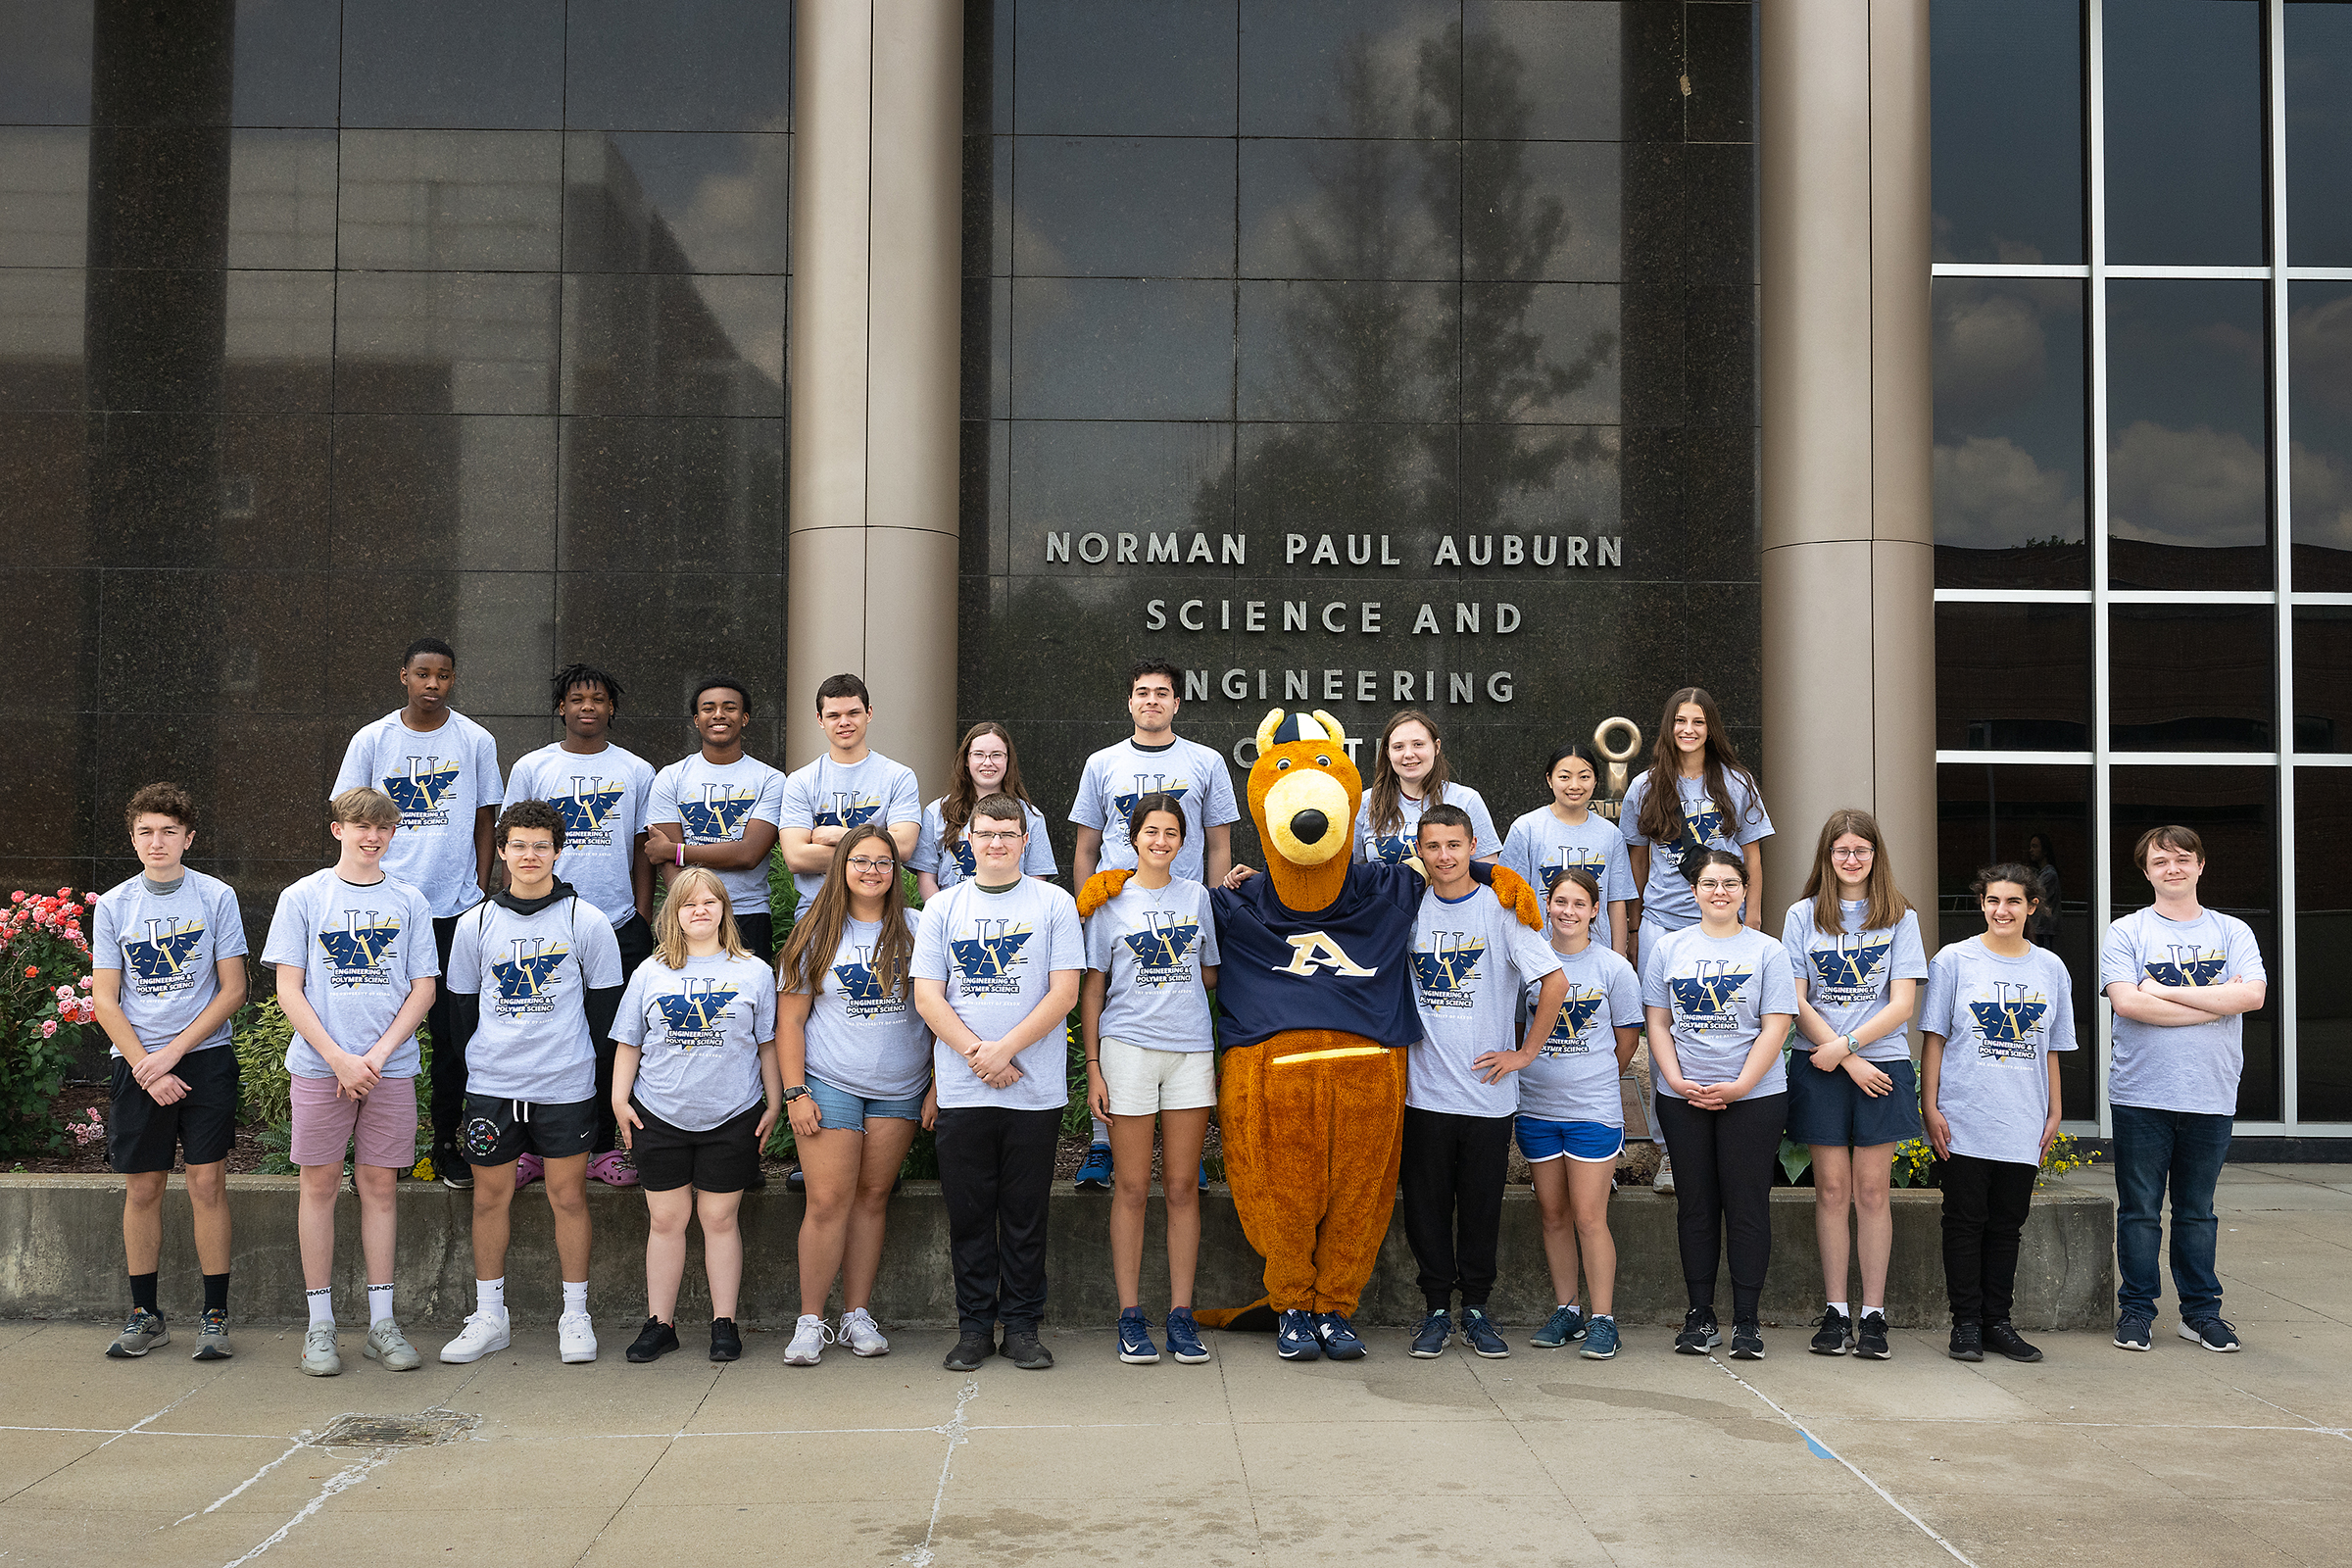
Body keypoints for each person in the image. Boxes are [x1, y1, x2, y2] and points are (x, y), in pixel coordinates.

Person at [438, 801, 624, 1366]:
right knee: (491, 1198)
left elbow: (605, 1012)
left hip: (565, 1085)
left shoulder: (584, 920)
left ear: (559, 850)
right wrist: (488, 1061)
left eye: (541, 845)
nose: (529, 855)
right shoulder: (475, 923)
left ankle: (575, 1315)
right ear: (500, 852)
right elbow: (461, 1012)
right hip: (493, 1085)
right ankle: (491, 1315)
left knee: (568, 1196)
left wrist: (581, 1069)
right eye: (518, 844)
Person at [264, 787, 438, 1376]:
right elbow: (289, 987)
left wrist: (377, 1056)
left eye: (383, 828)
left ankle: (381, 1324)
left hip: (389, 1069)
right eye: (360, 827)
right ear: (337, 830)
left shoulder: (410, 900)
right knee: (319, 1188)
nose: (372, 836)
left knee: (380, 1188)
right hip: (319, 1068)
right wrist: (339, 1058)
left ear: (393, 834)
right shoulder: (303, 897)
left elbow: (423, 988)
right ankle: (319, 1328)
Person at [912, 793, 1085, 1373]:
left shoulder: (1054, 903)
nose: (996, 843)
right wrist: (976, 1055)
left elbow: (1064, 992)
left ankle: (1023, 1327)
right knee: (968, 1213)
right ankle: (974, 1327)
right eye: (986, 833)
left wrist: (1004, 1051)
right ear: (967, 840)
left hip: (1034, 1091)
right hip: (963, 1090)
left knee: (1024, 1213)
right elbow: (927, 996)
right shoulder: (942, 909)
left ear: (1024, 840)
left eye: (1008, 834)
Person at [332, 637, 502, 1191]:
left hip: (455, 910)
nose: (433, 684)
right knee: (382, 1031)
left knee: (455, 1038)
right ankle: (383, 1153)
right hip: (386, 908)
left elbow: (484, 819)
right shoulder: (372, 739)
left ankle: (445, 1144)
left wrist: (479, 883)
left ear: (453, 679)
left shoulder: (475, 740)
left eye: (444, 676)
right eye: (423, 674)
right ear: (403, 675)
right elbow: (349, 814)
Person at [1401, 805, 1567, 1361]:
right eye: (1433, 846)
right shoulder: (1409, 910)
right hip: (1422, 1093)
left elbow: (1555, 981)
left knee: (1479, 1208)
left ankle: (1475, 1308)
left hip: (1488, 1097)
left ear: (1474, 845)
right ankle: (1434, 1312)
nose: (1444, 856)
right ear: (1419, 851)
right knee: (1424, 1208)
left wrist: (1525, 1053)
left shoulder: (1501, 911)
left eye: (1454, 844)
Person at [92, 783, 250, 1361]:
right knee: (145, 1186)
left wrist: (174, 1053)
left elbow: (233, 989)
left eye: (168, 832)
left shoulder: (216, 897)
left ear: (189, 838)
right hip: (136, 1063)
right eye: (145, 832)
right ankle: (144, 1313)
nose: (157, 843)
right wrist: (145, 1065)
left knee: (207, 1183)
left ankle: (215, 1313)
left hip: (203, 1058)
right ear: (132, 839)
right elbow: (106, 1001)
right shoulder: (113, 905)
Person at [1068, 659, 1240, 1190]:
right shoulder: (1102, 763)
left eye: (1162, 693)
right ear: (1129, 701)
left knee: (1181, 1007)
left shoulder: (1206, 761)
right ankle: (1103, 1145)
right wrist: (1085, 906)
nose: (1152, 701)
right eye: (1142, 692)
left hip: (1182, 911)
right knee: (1114, 1015)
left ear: (1177, 702)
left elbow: (1217, 844)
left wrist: (1212, 909)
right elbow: (1086, 847)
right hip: (1118, 913)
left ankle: (1187, 1156)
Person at [2101, 825, 2265, 1354]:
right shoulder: (2126, 932)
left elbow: (2254, 997)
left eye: (2182, 858)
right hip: (2141, 1094)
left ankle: (2200, 1314)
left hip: (2210, 1094)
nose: (2172, 868)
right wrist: (2216, 999)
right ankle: (2137, 1312)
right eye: (2160, 861)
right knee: (2140, 1211)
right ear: (2146, 871)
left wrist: (2162, 989)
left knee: (2197, 1211)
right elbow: (2127, 1005)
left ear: (2200, 865)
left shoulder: (2233, 931)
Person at [774, 825, 933, 1365]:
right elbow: (790, 1022)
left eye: (884, 862)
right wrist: (796, 1092)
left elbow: (939, 1013)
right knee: (826, 1202)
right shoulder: (816, 929)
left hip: (900, 1088)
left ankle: (857, 1315)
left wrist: (935, 1084)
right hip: (829, 1082)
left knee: (871, 1199)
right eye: (861, 861)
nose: (872, 871)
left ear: (897, 872)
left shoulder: (919, 928)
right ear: (841, 867)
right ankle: (810, 1321)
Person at [611, 867, 780, 1364]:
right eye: (688, 904)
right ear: (673, 914)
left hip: (732, 1113)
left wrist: (774, 1103)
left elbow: (767, 1044)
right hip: (659, 1112)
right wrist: (620, 1101)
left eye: (710, 902)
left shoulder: (754, 971)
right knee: (666, 1219)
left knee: (718, 1217)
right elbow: (628, 1043)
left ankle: (723, 1323)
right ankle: (659, 1324)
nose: (700, 910)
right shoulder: (651, 971)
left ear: (725, 909)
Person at [1781, 809, 1927, 1362]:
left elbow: (1903, 1004)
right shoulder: (1802, 916)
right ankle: (1835, 1310)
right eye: (1840, 850)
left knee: (1872, 1193)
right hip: (1821, 1066)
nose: (1850, 859)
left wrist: (1851, 1049)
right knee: (1831, 1191)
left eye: (1860, 850)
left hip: (1881, 1066)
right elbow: (1796, 1002)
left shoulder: (1900, 918)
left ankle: (1873, 1314)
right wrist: (1842, 1058)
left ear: (1875, 855)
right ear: (1826, 856)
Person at [1080, 795, 1220, 1366]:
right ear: (1132, 838)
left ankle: (1181, 1316)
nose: (1161, 841)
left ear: (1183, 842)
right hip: (1126, 1051)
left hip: (1190, 1052)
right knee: (1133, 1188)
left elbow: (1210, 971)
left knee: (1183, 1188)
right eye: (1151, 832)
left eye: (1171, 833)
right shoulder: (1110, 901)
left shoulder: (1198, 898)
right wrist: (1092, 1067)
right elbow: (1092, 988)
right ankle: (1131, 1315)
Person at [505, 662, 656, 1187]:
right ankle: (532, 1149)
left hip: (616, 925)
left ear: (611, 708)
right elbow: (514, 838)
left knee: (609, 1037)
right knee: (541, 1026)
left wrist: (640, 912)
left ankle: (601, 1150)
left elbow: (644, 847)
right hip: (544, 922)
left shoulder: (637, 770)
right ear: (561, 707)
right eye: (576, 698)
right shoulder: (533, 766)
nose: (587, 706)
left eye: (597, 698)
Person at [1642, 850, 1794, 1361]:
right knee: (1697, 1206)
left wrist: (1739, 1086)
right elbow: (1657, 1022)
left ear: (1745, 890)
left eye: (1730, 883)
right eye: (1710, 883)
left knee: (1748, 1207)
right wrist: (1677, 1080)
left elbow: (1777, 1024)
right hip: (1682, 1098)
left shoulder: (1768, 951)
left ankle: (1747, 1322)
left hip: (1754, 1100)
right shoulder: (1667, 948)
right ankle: (1700, 1315)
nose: (1720, 891)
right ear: (1694, 891)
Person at [1620, 685, 1772, 1196]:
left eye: (1699, 722)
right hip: (1666, 922)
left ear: (1712, 729)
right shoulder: (1645, 786)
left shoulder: (1737, 783)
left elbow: (1751, 859)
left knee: (1723, 1024)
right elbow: (1637, 861)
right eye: (1680, 721)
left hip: (1728, 926)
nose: (1688, 730)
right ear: (1668, 727)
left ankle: (1725, 1127)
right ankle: (1669, 1152)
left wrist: (1754, 919)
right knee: (1665, 1036)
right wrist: (1637, 928)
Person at [1921, 863, 2075, 1365]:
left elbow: (2053, 1046)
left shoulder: (2051, 969)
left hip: (2023, 1119)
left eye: (2013, 902)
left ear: (2032, 907)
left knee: (2007, 1225)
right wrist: (1930, 1105)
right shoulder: (1954, 961)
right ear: (1982, 904)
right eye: (1992, 901)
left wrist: (2054, 1110)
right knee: (1964, 1222)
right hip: (1964, 1115)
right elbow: (1935, 1038)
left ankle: (1997, 1324)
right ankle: (1964, 1324)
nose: (2001, 910)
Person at [1517, 869, 1642, 1360]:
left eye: (1579, 904)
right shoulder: (1529, 962)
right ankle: (1566, 1309)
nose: (1568, 911)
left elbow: (1627, 1040)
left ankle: (1603, 1320)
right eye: (1559, 902)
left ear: (1595, 910)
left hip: (1592, 1111)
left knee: (1590, 1217)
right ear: (1548, 905)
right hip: (1536, 1108)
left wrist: (1588, 1077)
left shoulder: (1614, 968)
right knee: (1553, 1215)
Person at [646, 676, 785, 960]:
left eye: (729, 707)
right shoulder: (671, 777)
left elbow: (748, 854)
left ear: (744, 718)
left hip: (747, 913)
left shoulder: (770, 779)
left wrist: (677, 851)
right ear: (696, 720)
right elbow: (667, 867)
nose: (719, 714)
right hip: (688, 914)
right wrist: (692, 904)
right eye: (708, 708)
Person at [777, 673, 922, 915]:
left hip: (881, 911)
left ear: (869, 713)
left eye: (853, 713)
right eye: (833, 715)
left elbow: (905, 846)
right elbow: (796, 858)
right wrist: (877, 854)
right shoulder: (801, 780)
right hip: (817, 910)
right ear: (820, 720)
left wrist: (838, 835)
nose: (844, 722)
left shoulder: (898, 776)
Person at [1500, 742, 1637, 956]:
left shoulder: (1610, 834)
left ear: (1595, 781)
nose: (1575, 785)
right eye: (1564, 777)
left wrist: (1618, 960)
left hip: (1596, 954)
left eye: (1584, 777)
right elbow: (1510, 899)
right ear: (1549, 779)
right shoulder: (1526, 828)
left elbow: (1616, 902)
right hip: (1539, 954)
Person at [912, 722, 1057, 900]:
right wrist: (943, 916)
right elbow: (926, 878)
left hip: (1012, 919)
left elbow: (1037, 879)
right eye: (979, 755)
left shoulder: (1030, 816)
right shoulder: (937, 812)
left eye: (997, 755)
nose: (987, 763)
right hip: (953, 919)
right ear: (966, 760)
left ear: (1008, 760)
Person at [1355, 710, 1501, 867]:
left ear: (1436, 747)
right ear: (1387, 752)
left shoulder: (1466, 800)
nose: (1409, 754)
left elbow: (1488, 871)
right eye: (1398, 747)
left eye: (1418, 744)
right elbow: (1350, 871)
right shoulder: (1366, 803)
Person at [2024, 833, 2062, 949]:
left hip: (2043, 928)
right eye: (2030, 847)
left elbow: (2033, 893)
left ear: (2045, 851)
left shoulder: (2049, 874)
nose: (2031, 850)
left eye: (2035, 846)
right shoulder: (2039, 873)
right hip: (2037, 927)